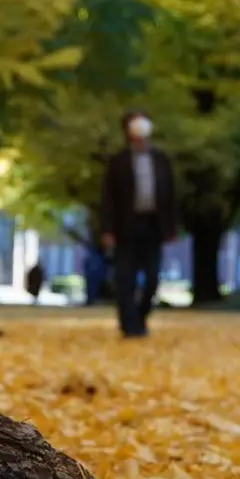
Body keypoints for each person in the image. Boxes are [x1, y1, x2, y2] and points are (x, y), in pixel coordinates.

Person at [99, 110, 178, 338]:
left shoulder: (161, 160)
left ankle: (140, 316)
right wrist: (106, 229)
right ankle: (129, 325)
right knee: (126, 277)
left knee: (152, 276)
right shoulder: (118, 162)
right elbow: (108, 198)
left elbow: (170, 195)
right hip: (126, 225)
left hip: (153, 225)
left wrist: (171, 227)